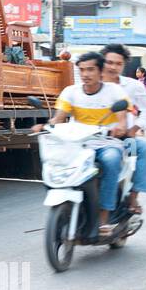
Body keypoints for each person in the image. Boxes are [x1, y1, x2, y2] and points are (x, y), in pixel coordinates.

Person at [32, 50, 131, 237]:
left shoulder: (114, 92)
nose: (85, 74)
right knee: (54, 163)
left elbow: (122, 121)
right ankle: (68, 208)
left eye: (91, 69)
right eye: (82, 70)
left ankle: (104, 215)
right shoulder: (71, 92)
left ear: (101, 71)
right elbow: (58, 120)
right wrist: (45, 126)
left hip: (106, 142)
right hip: (77, 144)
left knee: (111, 161)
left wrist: (120, 127)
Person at [100, 45, 146, 216]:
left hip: (124, 139)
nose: (113, 67)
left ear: (123, 65)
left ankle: (133, 196)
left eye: (118, 63)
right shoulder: (91, 84)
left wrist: (134, 128)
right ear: (102, 63)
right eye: (109, 62)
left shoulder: (132, 85)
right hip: (92, 139)